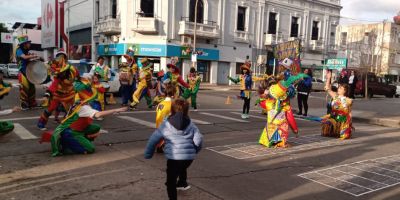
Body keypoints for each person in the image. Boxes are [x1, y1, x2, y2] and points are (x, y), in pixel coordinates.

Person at [50, 75, 128, 156]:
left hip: (72, 128)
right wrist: (116, 110)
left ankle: (78, 140)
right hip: (72, 132)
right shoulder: (84, 107)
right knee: (90, 149)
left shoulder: (79, 102)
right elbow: (98, 115)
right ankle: (69, 145)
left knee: (96, 127)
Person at [144, 98, 203, 200]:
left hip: (173, 158)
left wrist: (148, 154)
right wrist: (195, 150)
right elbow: (199, 140)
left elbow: (153, 140)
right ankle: (181, 182)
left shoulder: (166, 125)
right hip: (188, 159)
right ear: (187, 110)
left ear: (171, 110)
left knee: (170, 182)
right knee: (181, 168)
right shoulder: (191, 125)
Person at [256, 73, 308, 148]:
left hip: (271, 126)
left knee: (270, 127)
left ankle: (267, 140)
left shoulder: (268, 103)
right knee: (283, 126)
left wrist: (264, 95)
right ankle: (279, 142)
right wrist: (295, 130)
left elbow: (261, 101)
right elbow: (291, 119)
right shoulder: (285, 106)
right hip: (280, 127)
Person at [37, 49, 78, 130]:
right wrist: (48, 93)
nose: (60, 58)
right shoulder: (56, 71)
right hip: (58, 94)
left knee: (72, 110)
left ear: (65, 58)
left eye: (62, 57)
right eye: (58, 57)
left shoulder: (72, 69)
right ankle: (41, 123)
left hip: (69, 93)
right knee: (51, 109)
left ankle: (70, 124)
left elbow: (78, 78)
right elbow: (55, 83)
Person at [321, 70, 353, 140]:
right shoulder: (335, 96)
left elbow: (349, 112)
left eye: (341, 88)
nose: (338, 89)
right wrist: (328, 78)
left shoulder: (348, 100)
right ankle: (333, 131)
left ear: (345, 91)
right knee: (327, 122)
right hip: (334, 115)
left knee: (341, 123)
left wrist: (350, 121)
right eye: (339, 88)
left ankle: (340, 131)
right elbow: (327, 89)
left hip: (342, 117)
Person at [16, 35, 38, 109]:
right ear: (24, 44)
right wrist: (33, 56)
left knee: (32, 87)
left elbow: (28, 59)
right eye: (28, 43)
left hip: (28, 72)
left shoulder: (27, 51)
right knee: (25, 88)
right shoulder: (19, 50)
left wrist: (36, 58)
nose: (30, 44)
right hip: (22, 72)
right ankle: (24, 104)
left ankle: (32, 103)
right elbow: (24, 57)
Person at [154, 84, 176, 153]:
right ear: (173, 94)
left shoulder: (160, 103)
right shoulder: (172, 104)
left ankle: (160, 145)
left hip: (158, 125)